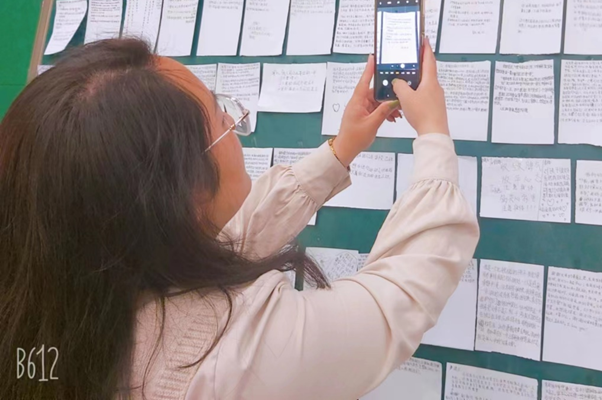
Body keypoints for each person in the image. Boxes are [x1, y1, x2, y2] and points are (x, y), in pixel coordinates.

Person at [0, 36, 479, 400]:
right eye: (220, 115)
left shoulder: (49, 313)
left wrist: (343, 148)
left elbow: (228, 238)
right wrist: (433, 133)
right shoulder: (239, 353)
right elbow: (395, 300)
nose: (233, 126)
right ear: (183, 191)